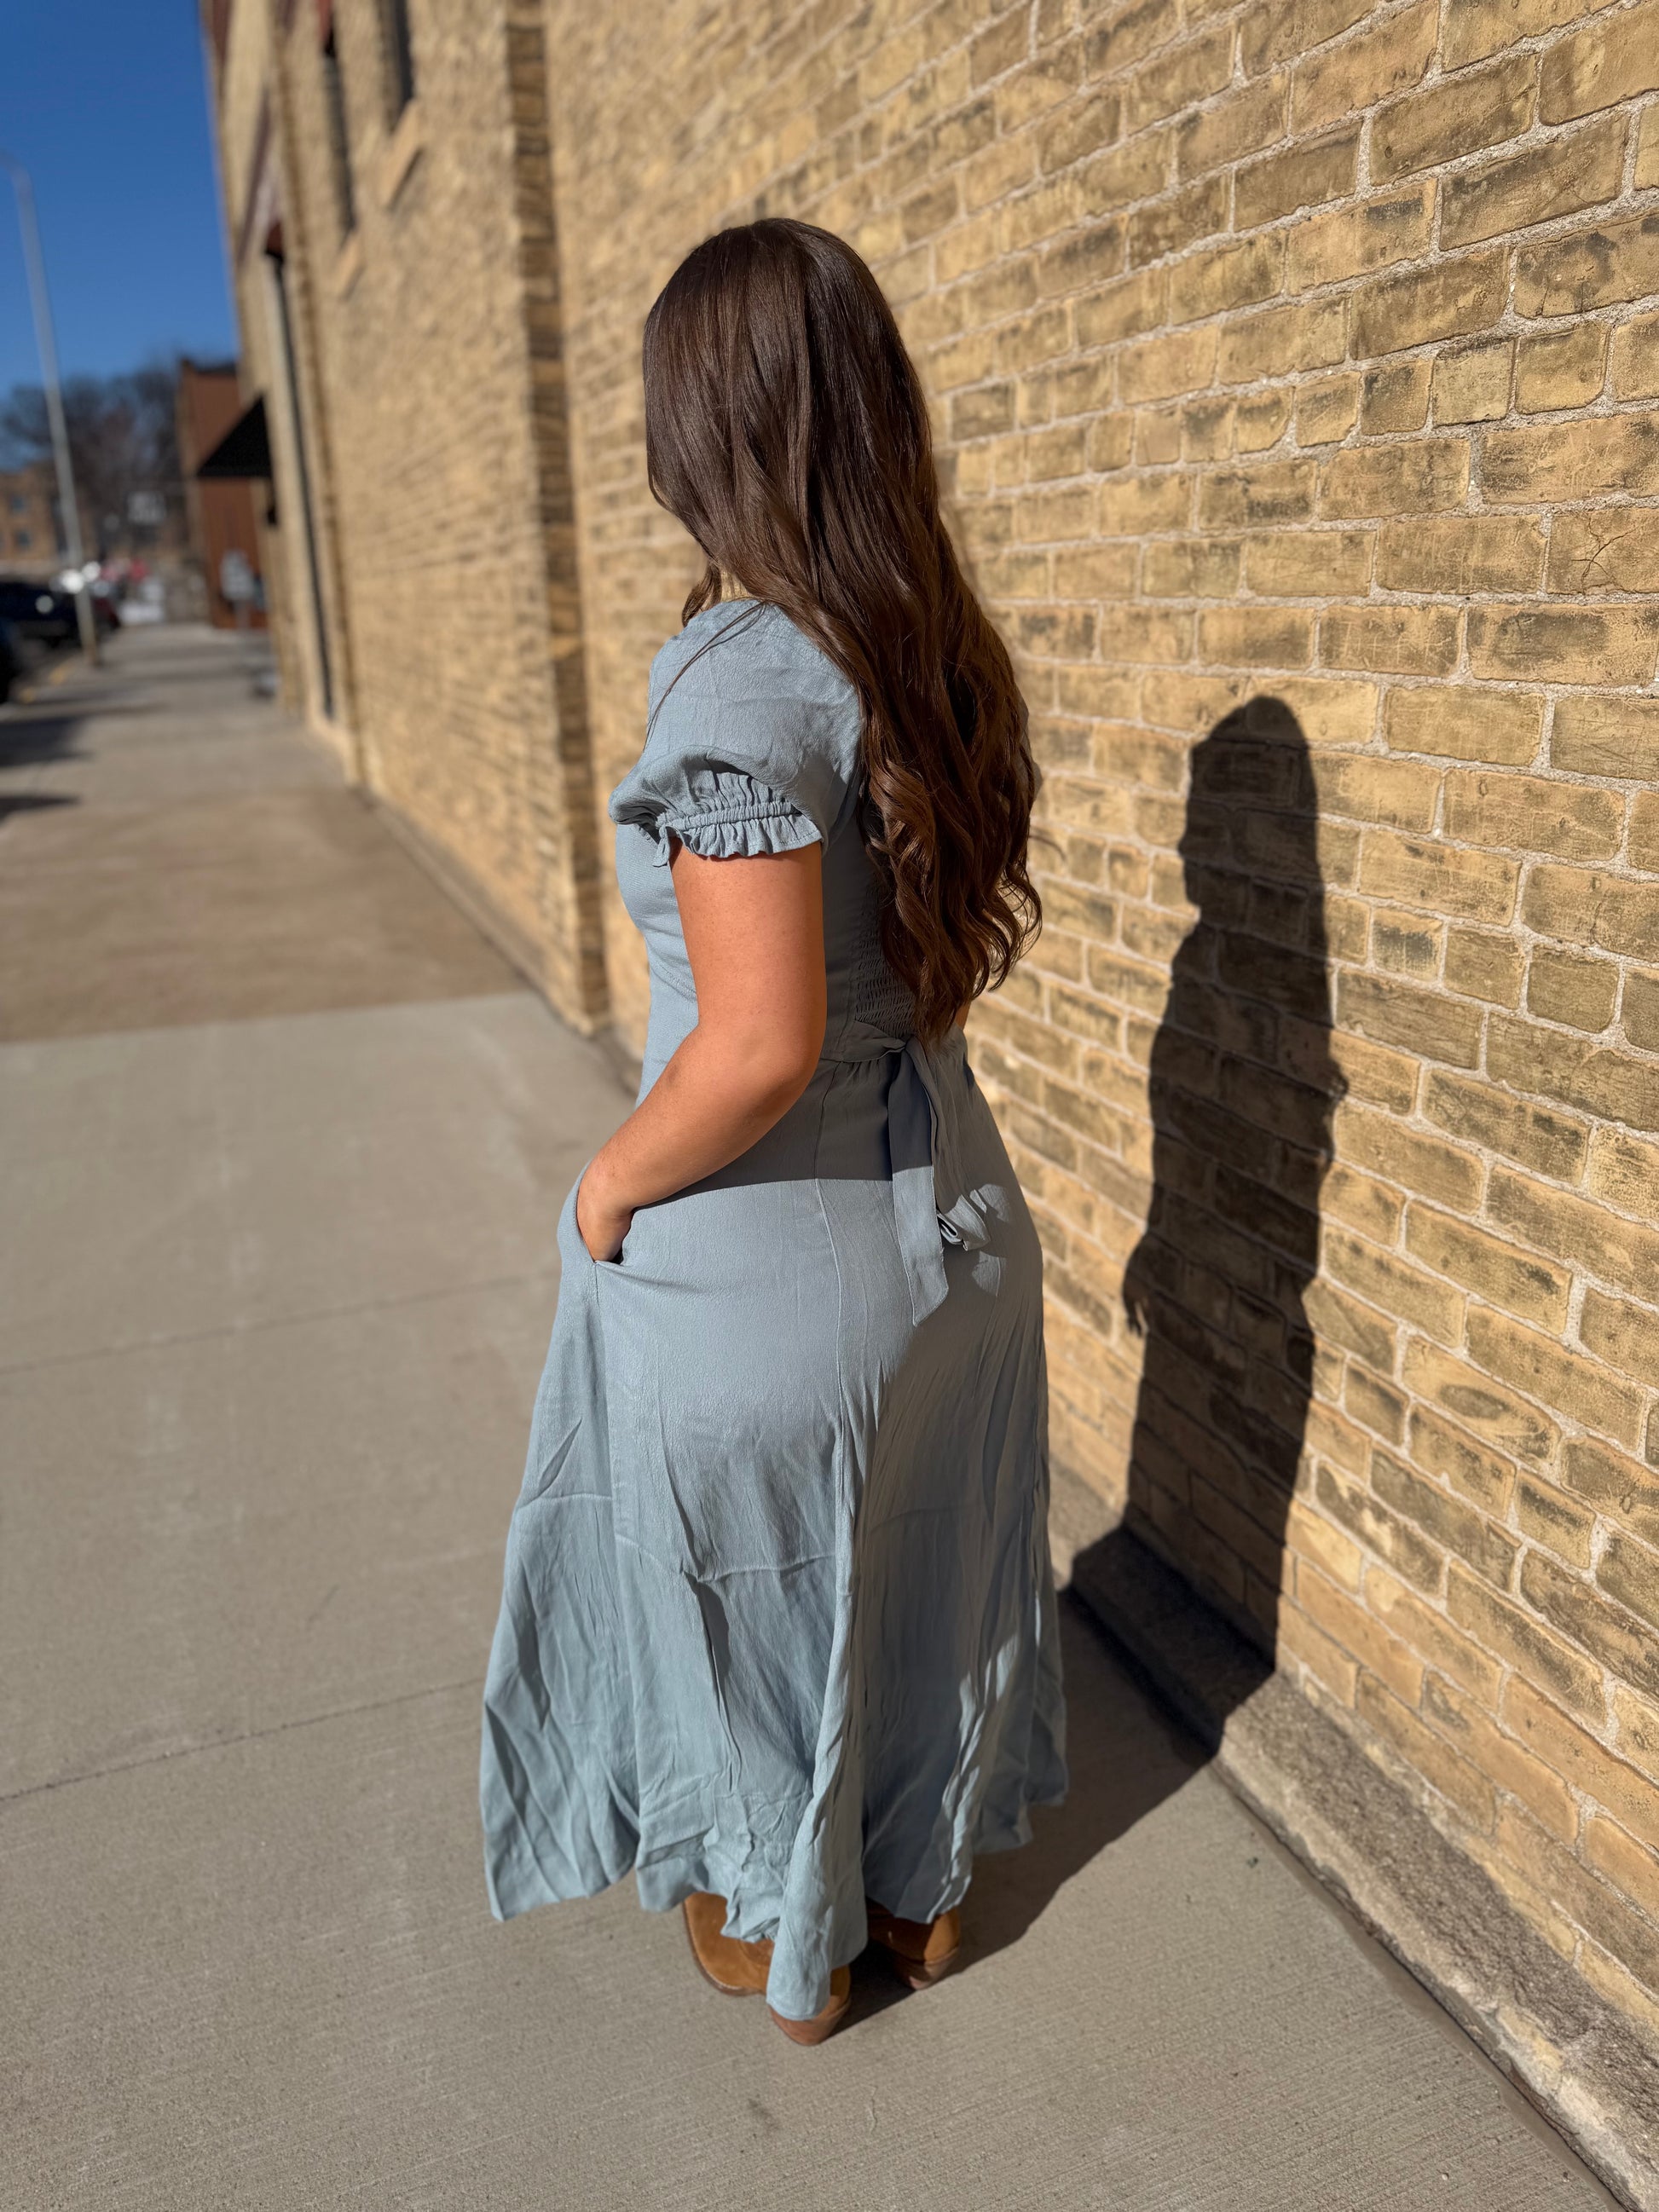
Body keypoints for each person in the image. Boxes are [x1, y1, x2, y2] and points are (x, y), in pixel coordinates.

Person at [479, 217, 1066, 2046]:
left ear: (705, 425)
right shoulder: (926, 641)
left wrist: (603, 1186)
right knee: (919, 1578)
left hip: (769, 1258)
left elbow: (752, 1045)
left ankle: (786, 1935)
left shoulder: (736, 676)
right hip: (959, 1231)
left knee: (752, 1610)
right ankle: (916, 1893)